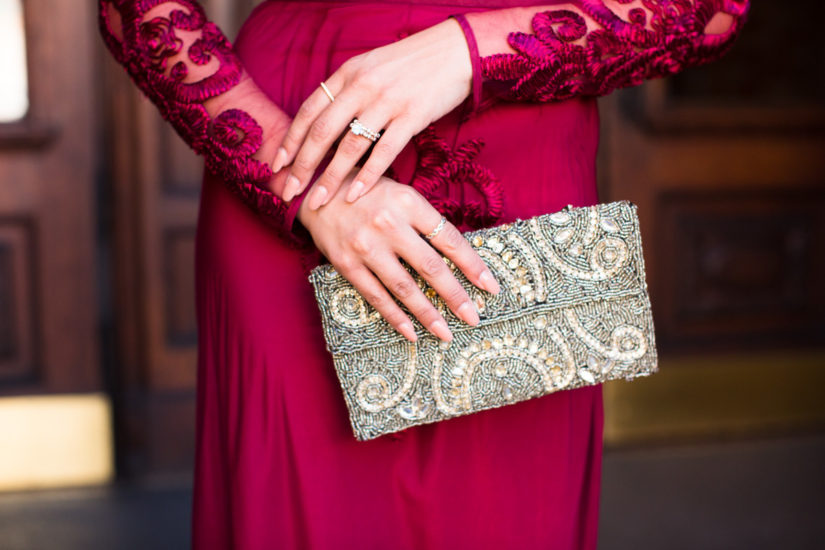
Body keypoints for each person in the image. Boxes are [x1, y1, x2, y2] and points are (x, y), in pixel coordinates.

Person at [99, 1, 750, 548]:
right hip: (292, 137)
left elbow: (709, 10)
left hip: (518, 146)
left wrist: (471, 51)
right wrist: (295, 178)